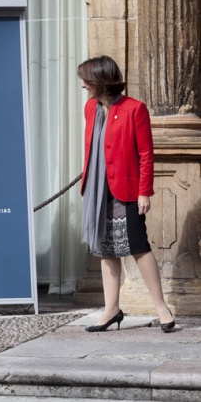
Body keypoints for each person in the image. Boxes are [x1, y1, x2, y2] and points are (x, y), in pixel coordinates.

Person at [78, 55, 175, 333]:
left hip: (127, 190)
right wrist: (87, 184)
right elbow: (91, 149)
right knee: (106, 250)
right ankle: (111, 310)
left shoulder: (135, 109)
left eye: (87, 80)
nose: (84, 85)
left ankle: (161, 308)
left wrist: (144, 191)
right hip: (98, 190)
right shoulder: (90, 109)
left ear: (101, 80)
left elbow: (146, 154)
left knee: (138, 247)